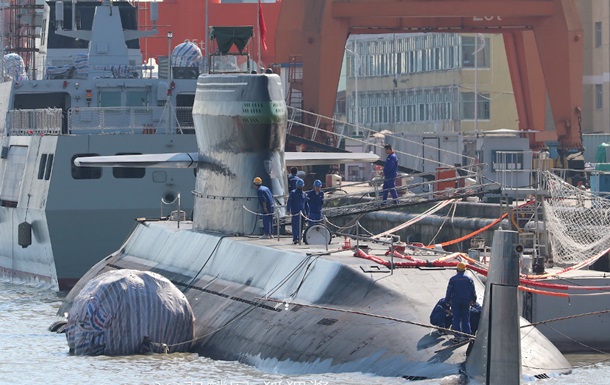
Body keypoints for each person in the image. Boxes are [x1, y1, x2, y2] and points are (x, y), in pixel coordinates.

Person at [445, 262, 477, 341]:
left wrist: (447, 301)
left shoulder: (453, 279)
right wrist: (474, 299)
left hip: (455, 301)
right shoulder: (469, 279)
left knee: (456, 318)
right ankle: (466, 335)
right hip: (466, 301)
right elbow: (473, 291)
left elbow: (449, 291)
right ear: (464, 270)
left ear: (457, 270)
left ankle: (457, 336)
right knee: (466, 318)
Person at [287, 178, 307, 244]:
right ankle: (295, 239)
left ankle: (299, 238)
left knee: (301, 226)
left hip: (302, 213)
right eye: (299, 186)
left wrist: (307, 212)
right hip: (295, 212)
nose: (300, 187)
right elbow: (289, 202)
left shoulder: (304, 194)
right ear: (297, 186)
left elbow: (306, 203)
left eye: (301, 186)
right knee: (295, 226)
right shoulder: (293, 193)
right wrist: (288, 210)